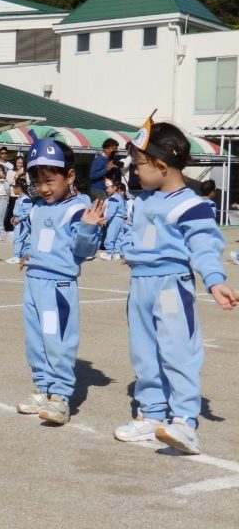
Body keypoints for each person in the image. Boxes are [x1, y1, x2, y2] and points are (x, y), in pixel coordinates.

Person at [113, 120, 236, 455]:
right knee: (144, 351)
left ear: (161, 165)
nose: (135, 171)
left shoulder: (192, 205)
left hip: (171, 287)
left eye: (139, 164)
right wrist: (132, 253)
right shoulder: (144, 201)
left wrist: (215, 280)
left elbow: (204, 246)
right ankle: (152, 415)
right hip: (140, 285)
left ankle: (184, 422)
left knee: (177, 351)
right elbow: (138, 236)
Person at [15, 136, 104, 425]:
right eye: (38, 182)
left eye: (50, 181)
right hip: (34, 282)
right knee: (36, 341)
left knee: (58, 340)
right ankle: (42, 388)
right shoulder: (38, 206)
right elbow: (43, 240)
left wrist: (89, 229)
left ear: (69, 175)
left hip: (57, 288)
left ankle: (61, 397)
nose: (43, 188)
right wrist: (31, 256)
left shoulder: (78, 208)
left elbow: (84, 251)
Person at [6, 177, 33, 264]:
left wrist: (19, 218)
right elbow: (19, 210)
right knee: (19, 239)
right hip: (18, 222)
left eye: (14, 187)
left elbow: (28, 212)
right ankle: (19, 255)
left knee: (18, 239)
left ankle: (17, 256)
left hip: (22, 223)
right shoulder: (19, 198)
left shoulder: (25, 199)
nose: (13, 189)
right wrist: (14, 217)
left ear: (19, 188)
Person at [98, 179, 126, 261]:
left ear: (114, 188)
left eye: (108, 188)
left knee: (110, 236)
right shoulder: (120, 198)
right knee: (118, 237)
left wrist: (105, 219)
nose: (106, 190)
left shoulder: (113, 199)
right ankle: (117, 253)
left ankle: (109, 253)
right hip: (121, 220)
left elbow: (111, 211)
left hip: (114, 219)